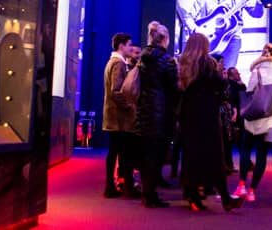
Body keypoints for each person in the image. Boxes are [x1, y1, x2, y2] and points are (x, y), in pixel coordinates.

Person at [178, 33, 245, 212]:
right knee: (215, 156)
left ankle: (192, 196)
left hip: (188, 115)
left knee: (191, 155)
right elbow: (220, 84)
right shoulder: (207, 63)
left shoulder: (183, 63)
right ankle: (225, 198)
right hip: (206, 114)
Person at [234, 43, 272, 202]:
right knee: (262, 154)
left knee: (246, 148)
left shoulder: (257, 71)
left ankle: (241, 185)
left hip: (255, 117)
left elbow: (250, 92)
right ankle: (252, 191)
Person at [136, 21, 178, 208]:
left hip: (144, 111)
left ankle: (147, 194)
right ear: (165, 39)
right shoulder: (167, 60)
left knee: (147, 155)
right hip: (162, 113)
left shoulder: (143, 58)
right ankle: (151, 196)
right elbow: (173, 88)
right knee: (158, 155)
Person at [102, 33, 140, 199]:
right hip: (118, 118)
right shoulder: (118, 64)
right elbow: (116, 91)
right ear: (121, 46)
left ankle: (111, 186)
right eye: (129, 45)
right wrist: (129, 106)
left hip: (113, 116)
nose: (131, 48)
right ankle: (118, 186)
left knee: (114, 152)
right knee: (122, 153)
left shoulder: (113, 62)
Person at [177, 0, 264, 68]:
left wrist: (259, 2)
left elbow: (257, 14)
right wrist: (195, 29)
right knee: (205, 73)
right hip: (208, 38)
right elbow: (188, 17)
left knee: (228, 74)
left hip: (232, 38)